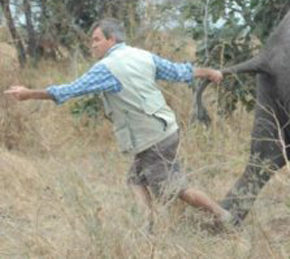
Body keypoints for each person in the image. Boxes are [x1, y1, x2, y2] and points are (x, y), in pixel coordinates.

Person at [4, 18, 231, 233]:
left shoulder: (107, 67)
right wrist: (208, 72)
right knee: (135, 179)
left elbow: (69, 90)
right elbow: (178, 71)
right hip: (164, 130)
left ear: (112, 40)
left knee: (174, 189)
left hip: (152, 138)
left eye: (96, 40)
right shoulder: (142, 55)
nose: (92, 46)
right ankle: (146, 227)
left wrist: (29, 94)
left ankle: (222, 215)